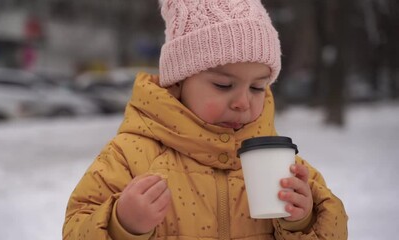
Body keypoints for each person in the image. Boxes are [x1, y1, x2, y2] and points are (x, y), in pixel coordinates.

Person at [62, 0, 348, 239]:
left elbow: (335, 229)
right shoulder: (130, 156)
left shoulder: (279, 163)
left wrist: (303, 221)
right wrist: (121, 224)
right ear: (180, 81)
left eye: (257, 87)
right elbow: (76, 228)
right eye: (223, 85)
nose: (242, 102)